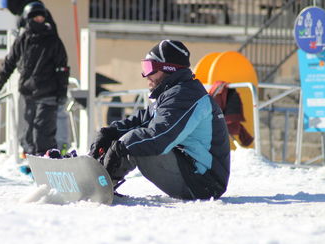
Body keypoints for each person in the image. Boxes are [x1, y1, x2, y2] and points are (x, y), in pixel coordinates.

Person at [89, 40, 230, 200]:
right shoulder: (173, 94)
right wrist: (109, 133)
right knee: (131, 139)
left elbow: (159, 138)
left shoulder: (186, 96)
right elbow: (141, 121)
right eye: (144, 68)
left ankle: (100, 185)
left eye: (150, 68)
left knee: (137, 143)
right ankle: (95, 175)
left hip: (204, 183)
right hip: (192, 172)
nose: (145, 75)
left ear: (169, 69)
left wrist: (120, 147)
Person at [0, 1, 69, 156]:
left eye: (41, 18)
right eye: (35, 18)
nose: (38, 21)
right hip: (27, 94)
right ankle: (32, 161)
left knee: (42, 134)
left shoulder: (52, 40)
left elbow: (62, 69)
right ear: (27, 19)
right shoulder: (22, 40)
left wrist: (62, 93)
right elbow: (8, 65)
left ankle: (46, 161)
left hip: (48, 95)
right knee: (27, 136)